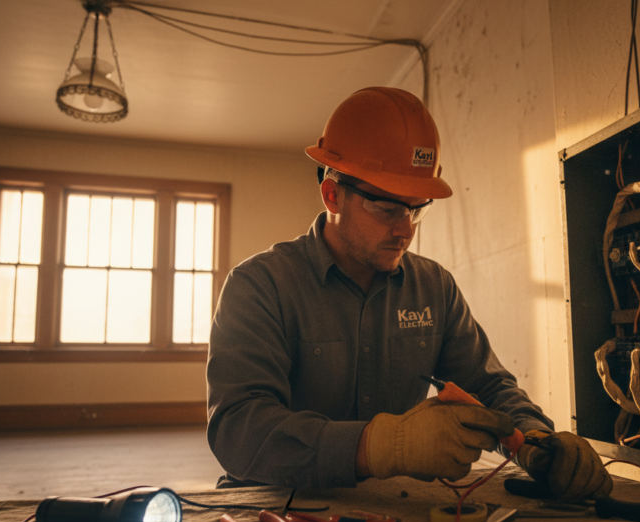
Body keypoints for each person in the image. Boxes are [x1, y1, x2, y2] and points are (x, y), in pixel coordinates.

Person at [206, 87, 612, 500]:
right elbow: (238, 429)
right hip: (277, 507)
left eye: (416, 208)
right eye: (387, 208)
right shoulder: (259, 286)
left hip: (394, 506)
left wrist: (535, 440)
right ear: (333, 195)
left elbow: (486, 390)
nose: (406, 229)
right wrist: (380, 446)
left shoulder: (433, 288)